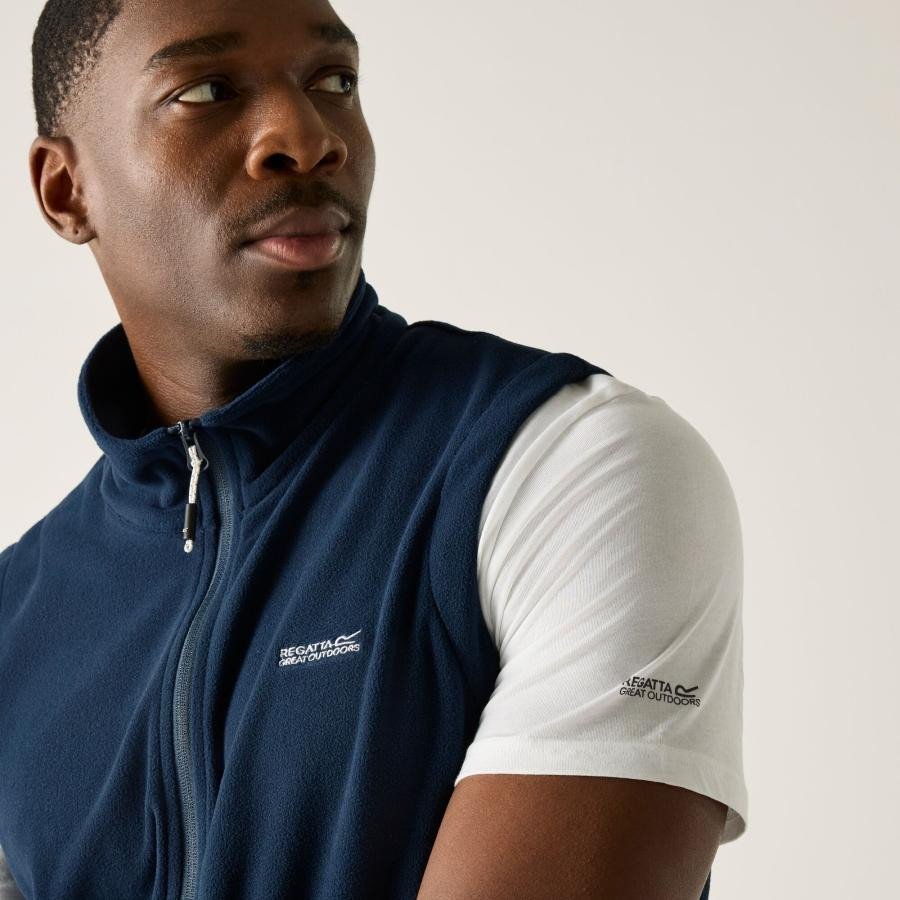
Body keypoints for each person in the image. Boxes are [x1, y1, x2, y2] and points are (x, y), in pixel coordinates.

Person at [0, 0, 748, 897]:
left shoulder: (571, 463)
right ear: (67, 190)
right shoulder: (14, 617)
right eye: (206, 91)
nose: (306, 138)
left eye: (334, 81)